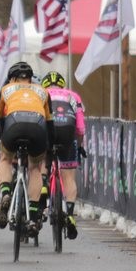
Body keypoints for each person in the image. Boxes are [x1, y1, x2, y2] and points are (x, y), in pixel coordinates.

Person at [0, 61, 52, 235]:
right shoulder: (43, 91)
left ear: (12, 78)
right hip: (38, 128)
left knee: (4, 158)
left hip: (14, 126)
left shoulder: (6, 90)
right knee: (35, 168)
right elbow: (51, 123)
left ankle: (5, 191)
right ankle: (33, 217)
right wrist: (49, 145)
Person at [40, 71, 85, 240]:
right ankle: (71, 213)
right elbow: (80, 127)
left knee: (41, 160)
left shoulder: (41, 93)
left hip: (47, 129)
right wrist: (79, 146)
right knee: (69, 178)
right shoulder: (73, 96)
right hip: (67, 132)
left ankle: (44, 184)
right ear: (62, 85)